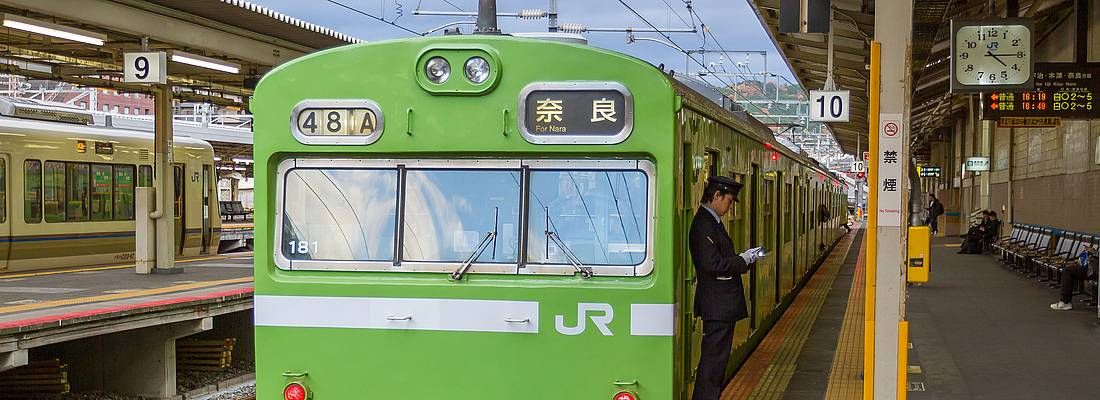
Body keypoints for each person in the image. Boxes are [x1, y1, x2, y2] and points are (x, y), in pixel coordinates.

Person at [689, 176, 762, 400]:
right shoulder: (704, 224)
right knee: (713, 362)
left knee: (716, 361)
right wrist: (743, 260)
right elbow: (712, 264)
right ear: (717, 196)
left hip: (720, 304)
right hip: (717, 304)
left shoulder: (711, 222)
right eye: (729, 201)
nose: (730, 207)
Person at [1051, 242, 1098, 310]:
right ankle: (1065, 301)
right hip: (1092, 267)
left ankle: (1065, 302)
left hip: (1095, 270)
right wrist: (1090, 251)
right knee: (1069, 270)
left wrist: (1093, 252)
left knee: (1067, 271)